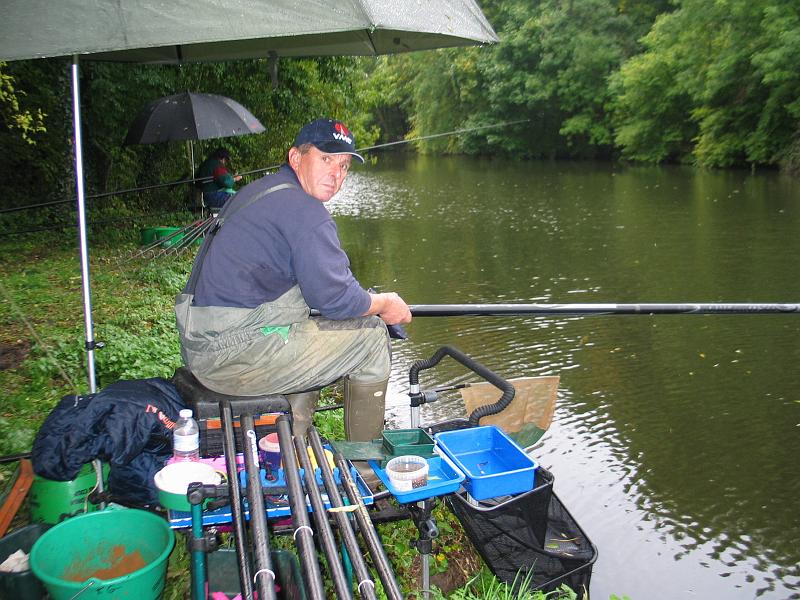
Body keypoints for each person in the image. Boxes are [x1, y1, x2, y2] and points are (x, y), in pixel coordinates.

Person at [175, 118, 412, 441]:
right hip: (230, 355)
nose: (336, 174)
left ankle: (293, 444)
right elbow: (337, 300)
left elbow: (322, 289)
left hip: (210, 341)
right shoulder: (304, 211)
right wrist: (385, 303)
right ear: (296, 157)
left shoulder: (262, 191)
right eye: (326, 159)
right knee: (369, 337)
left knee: (313, 332)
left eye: (344, 166)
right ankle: (366, 466)